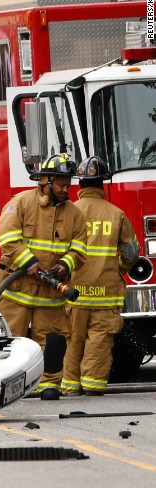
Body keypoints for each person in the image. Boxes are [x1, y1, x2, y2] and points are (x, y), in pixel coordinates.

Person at [0, 154, 87, 400]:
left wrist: (65, 266)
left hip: (50, 291)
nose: (66, 188)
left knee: (53, 339)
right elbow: (6, 238)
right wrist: (30, 263)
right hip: (17, 290)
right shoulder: (21, 203)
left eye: (68, 183)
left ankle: (49, 385)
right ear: (45, 181)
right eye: (60, 183)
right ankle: (6, 386)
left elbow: (80, 248)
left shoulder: (75, 214)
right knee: (11, 339)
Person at [62, 157, 140, 396]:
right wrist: (119, 269)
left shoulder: (69, 212)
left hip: (72, 292)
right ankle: (93, 384)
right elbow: (131, 253)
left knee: (73, 339)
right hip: (104, 292)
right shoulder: (116, 214)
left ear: (81, 184)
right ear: (103, 183)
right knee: (99, 339)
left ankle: (70, 386)